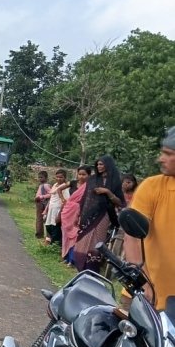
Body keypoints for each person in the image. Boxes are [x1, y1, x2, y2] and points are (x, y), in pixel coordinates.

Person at [123, 127, 175, 310]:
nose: (161, 158)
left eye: (168, 154)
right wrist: (142, 283)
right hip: (149, 295)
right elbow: (132, 236)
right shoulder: (152, 187)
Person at [72, 155, 123, 272]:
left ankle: (91, 270)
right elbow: (85, 198)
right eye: (98, 164)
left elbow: (120, 202)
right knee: (82, 242)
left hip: (103, 216)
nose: (99, 166)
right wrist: (77, 215)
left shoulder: (115, 181)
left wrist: (107, 192)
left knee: (96, 243)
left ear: (108, 165)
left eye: (102, 164)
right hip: (87, 216)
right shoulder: (92, 179)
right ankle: (80, 269)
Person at [61, 165, 92, 264]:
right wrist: (63, 200)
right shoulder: (73, 183)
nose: (81, 177)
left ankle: (72, 260)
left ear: (89, 175)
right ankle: (65, 257)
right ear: (77, 174)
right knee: (66, 234)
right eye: (80, 174)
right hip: (68, 211)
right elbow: (58, 189)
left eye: (84, 174)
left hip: (80, 212)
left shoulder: (90, 186)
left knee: (75, 235)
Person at [43, 169, 69, 246]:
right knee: (48, 226)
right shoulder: (55, 185)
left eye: (61, 177)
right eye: (57, 177)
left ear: (64, 178)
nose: (58, 179)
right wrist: (46, 210)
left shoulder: (65, 187)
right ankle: (49, 241)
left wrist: (59, 215)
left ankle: (54, 245)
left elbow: (65, 202)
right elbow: (51, 198)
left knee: (55, 228)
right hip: (51, 209)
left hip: (58, 210)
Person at [34, 171, 51, 239]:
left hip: (43, 204)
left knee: (45, 219)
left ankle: (48, 236)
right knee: (39, 219)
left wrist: (41, 197)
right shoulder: (41, 185)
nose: (40, 179)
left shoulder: (46, 185)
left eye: (41, 177)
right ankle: (39, 234)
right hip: (39, 203)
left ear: (46, 178)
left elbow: (51, 194)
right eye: (39, 177)